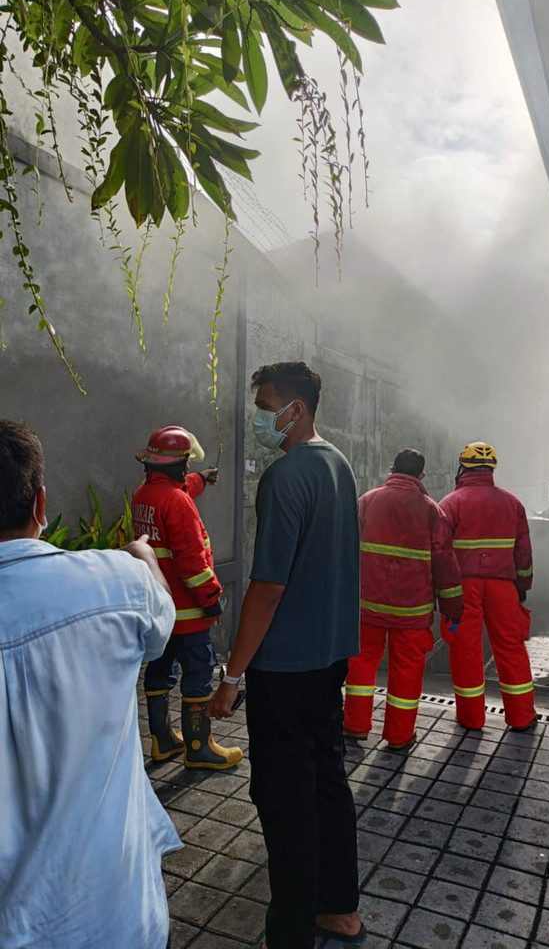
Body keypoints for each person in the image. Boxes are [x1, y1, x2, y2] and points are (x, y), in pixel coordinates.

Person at [0, 419, 180, 949]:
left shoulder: (161, 494)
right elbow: (162, 618)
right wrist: (144, 557)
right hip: (125, 918)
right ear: (41, 504)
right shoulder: (119, 582)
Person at [207, 362, 364, 949]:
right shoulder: (339, 464)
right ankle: (339, 911)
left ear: (295, 409)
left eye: (267, 403)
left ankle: (291, 933)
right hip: (329, 660)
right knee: (326, 780)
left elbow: (267, 587)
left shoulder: (285, 476)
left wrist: (233, 675)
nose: (260, 416)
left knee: (283, 796)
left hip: (286, 669)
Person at [133, 426, 242, 770]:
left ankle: (162, 741)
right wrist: (213, 599)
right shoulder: (178, 503)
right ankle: (199, 748)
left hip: (161, 613)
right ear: (178, 464)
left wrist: (201, 479)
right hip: (189, 613)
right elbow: (192, 562)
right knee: (197, 674)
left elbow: (176, 491)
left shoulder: (145, 495)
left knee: (159, 672)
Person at [343, 448, 463, 749]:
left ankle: (355, 726)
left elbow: (345, 550)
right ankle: (399, 736)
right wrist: (451, 607)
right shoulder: (431, 510)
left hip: (367, 605)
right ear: (421, 476)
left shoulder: (367, 501)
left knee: (360, 664)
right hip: (412, 611)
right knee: (407, 670)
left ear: (392, 468)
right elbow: (445, 563)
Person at [439, 441, 536, 731]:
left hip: (462, 586)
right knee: (510, 646)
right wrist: (523, 585)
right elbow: (524, 552)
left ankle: (471, 718)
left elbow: (441, 553)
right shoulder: (512, 502)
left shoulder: (450, 503)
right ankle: (521, 717)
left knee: (464, 648)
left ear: (462, 468)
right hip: (503, 586)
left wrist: (443, 591)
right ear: (492, 468)